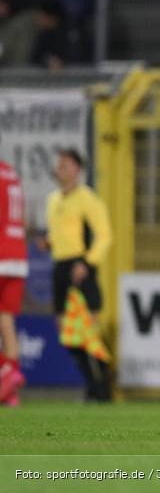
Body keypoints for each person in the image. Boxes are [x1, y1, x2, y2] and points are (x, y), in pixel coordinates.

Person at [40, 149, 112, 401]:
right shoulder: (52, 200)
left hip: (81, 267)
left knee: (91, 330)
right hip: (60, 266)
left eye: (65, 165)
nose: (60, 169)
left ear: (77, 170)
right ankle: (92, 385)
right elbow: (60, 234)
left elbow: (104, 236)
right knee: (67, 333)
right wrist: (49, 242)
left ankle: (105, 386)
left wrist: (87, 262)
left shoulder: (87, 199)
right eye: (59, 165)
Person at [0, 148, 27, 406]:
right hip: (17, 254)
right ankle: (11, 387)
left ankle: (6, 372)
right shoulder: (11, 171)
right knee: (6, 319)